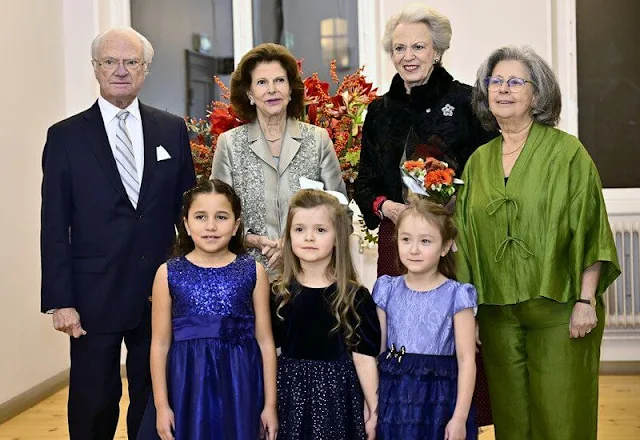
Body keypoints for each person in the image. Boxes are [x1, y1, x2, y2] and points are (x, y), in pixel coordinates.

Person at [455, 46, 621, 440]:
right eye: (495, 82)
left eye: (515, 82)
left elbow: (590, 225)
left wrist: (586, 300)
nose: (503, 89)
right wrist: (470, 312)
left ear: (537, 94)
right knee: (512, 423)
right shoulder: (478, 161)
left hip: (560, 309)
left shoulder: (567, 153)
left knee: (562, 417)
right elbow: (465, 239)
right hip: (496, 314)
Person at [40, 27, 196, 439]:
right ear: (96, 68)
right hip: (93, 297)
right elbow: (55, 225)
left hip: (158, 293)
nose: (121, 70)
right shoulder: (65, 137)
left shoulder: (171, 130)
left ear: (145, 70)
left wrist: (188, 281)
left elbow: (189, 215)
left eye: (131, 62)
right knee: (94, 402)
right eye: (110, 61)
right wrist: (60, 301)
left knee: (153, 401)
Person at [354, 3, 497, 278]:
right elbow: (365, 183)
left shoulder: (467, 102)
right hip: (397, 239)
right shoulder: (379, 112)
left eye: (418, 47)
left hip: (455, 239)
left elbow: (490, 174)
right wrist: (387, 207)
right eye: (399, 48)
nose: (408, 56)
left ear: (437, 52)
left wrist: (452, 208)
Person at [136, 179, 278, 439]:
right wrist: (161, 405)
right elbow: (159, 344)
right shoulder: (168, 273)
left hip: (240, 384)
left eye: (221, 217)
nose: (211, 226)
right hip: (186, 384)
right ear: (187, 225)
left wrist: (269, 405)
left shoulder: (253, 272)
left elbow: (266, 342)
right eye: (201, 217)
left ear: (236, 226)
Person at [212, 43, 346, 270]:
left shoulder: (318, 140)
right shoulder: (230, 144)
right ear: (249, 93)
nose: (272, 90)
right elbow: (218, 215)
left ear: (291, 89)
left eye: (280, 81)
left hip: (310, 272)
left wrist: (296, 244)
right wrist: (253, 240)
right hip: (248, 273)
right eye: (262, 83)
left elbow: (341, 211)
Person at [271, 189, 380, 439]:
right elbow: (272, 353)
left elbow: (364, 359)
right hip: (291, 396)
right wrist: (268, 405)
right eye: (299, 229)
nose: (309, 237)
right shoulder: (279, 294)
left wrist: (374, 411)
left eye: (320, 230)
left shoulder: (355, 296)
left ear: (337, 237)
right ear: (288, 235)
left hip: (338, 398)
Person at [373, 195, 477, 440]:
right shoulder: (386, 289)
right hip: (394, 400)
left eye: (425, 241)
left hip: (439, 401)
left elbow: (466, 359)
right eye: (406, 239)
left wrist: (459, 417)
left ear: (444, 246)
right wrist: (373, 406)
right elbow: (377, 351)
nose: (414, 249)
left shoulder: (457, 295)